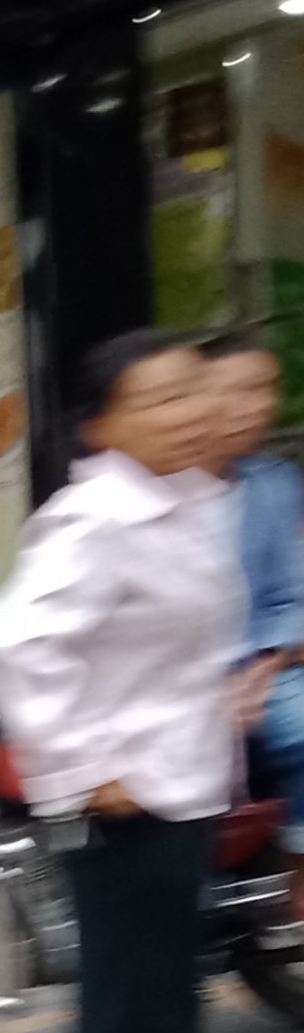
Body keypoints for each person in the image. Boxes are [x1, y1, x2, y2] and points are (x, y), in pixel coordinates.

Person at [0, 328, 258, 1033]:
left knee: (170, 1006)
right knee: (129, 1012)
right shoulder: (94, 518)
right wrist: (85, 768)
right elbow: (18, 646)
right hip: (125, 802)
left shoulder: (186, 502)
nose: (192, 413)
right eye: (162, 399)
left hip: (182, 781)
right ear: (101, 426)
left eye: (195, 391)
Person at [207, 333, 304, 935]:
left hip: (269, 666)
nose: (260, 406)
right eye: (241, 390)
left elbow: (294, 595)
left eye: (266, 390)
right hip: (174, 680)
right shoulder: (149, 498)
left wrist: (264, 669)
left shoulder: (274, 484)